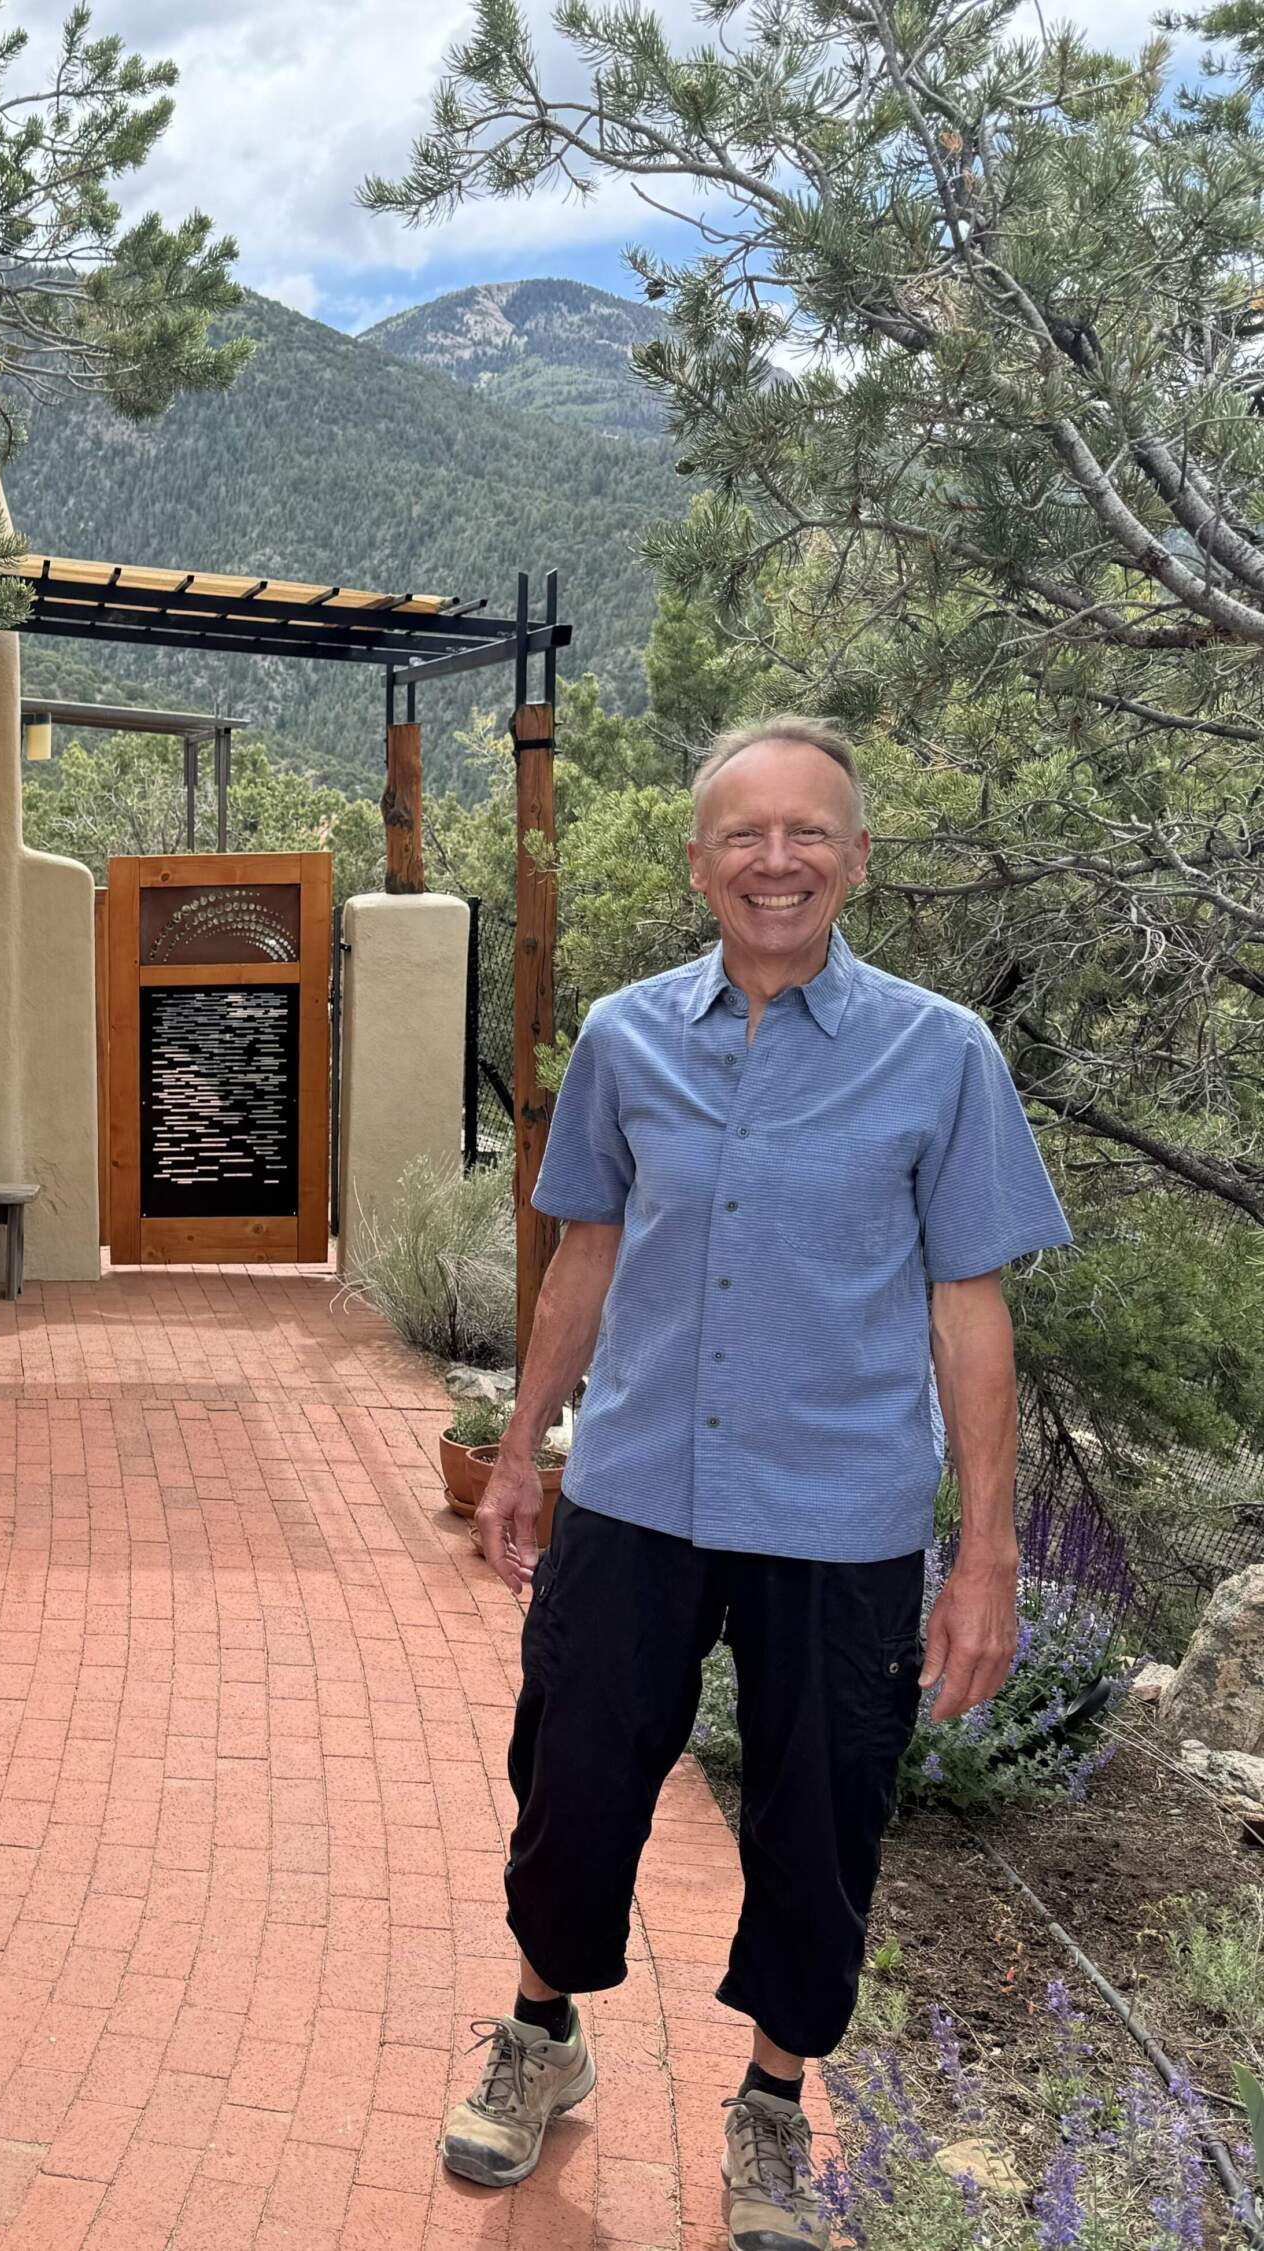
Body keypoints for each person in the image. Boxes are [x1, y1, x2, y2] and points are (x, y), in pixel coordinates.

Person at [435, 717, 1072, 2251]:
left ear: (857, 858)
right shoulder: (622, 1037)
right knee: (571, 1779)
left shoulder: (943, 1055)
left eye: (808, 835)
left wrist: (984, 1554)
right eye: (744, 835)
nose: (775, 861)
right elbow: (584, 1253)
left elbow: (966, 1308)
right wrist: (522, 1450)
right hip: (639, 1491)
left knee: (821, 1818)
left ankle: (776, 2106)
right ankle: (545, 2032)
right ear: (700, 860)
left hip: (840, 1520)